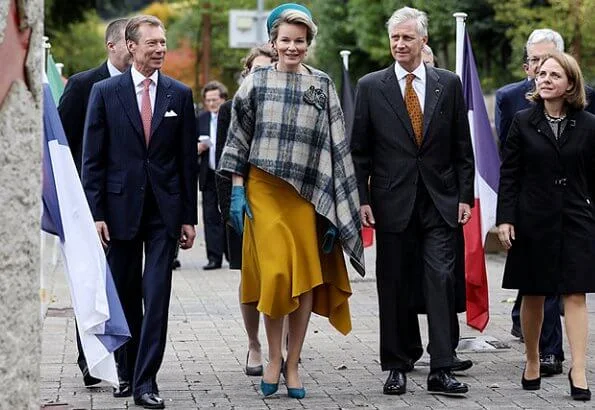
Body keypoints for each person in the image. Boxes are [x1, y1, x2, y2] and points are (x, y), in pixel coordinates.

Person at [219, 3, 365, 399]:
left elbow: (336, 147)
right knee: (277, 276)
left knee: (304, 280)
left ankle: (294, 361)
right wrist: (236, 189)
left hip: (306, 196)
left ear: (308, 43)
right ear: (273, 40)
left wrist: (335, 208)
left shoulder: (322, 84)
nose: (292, 47)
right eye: (285, 40)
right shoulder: (255, 83)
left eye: (299, 41)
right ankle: (271, 356)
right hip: (263, 191)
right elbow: (238, 139)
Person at [350, 6, 475, 396]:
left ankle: (441, 366)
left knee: (440, 279)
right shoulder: (371, 86)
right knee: (395, 283)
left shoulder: (448, 84)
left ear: (423, 40)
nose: (400, 44)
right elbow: (360, 151)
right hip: (391, 202)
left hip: (440, 200)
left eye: (407, 37)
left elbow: (462, 147)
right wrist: (363, 198)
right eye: (395, 38)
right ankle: (397, 364)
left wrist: (464, 196)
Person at [82, 15, 198, 409]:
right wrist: (95, 213)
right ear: (131, 47)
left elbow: (187, 162)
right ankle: (125, 371)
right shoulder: (105, 92)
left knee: (157, 295)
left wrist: (188, 218)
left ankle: (147, 380)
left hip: (164, 214)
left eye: (163, 42)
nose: (160, 49)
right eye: (152, 43)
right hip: (118, 211)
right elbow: (92, 161)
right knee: (126, 295)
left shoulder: (179, 95)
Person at [495, 28, 595, 376]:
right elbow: (510, 174)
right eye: (541, 74)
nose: (546, 78)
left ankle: (579, 369)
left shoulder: (588, 124)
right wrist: (505, 219)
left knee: (575, 294)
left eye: (554, 74)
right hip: (532, 219)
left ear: (570, 83)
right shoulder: (523, 121)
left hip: (576, 218)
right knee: (534, 293)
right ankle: (533, 360)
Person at [57, 18, 130, 387]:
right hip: (87, 202)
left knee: (121, 281)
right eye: (128, 44)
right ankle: (90, 358)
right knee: (91, 281)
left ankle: (122, 358)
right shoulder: (84, 85)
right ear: (112, 46)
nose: (135, 51)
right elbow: (62, 144)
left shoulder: (141, 86)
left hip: (127, 202)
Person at [215, 45, 278, 377]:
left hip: (279, 205)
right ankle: (254, 343)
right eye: (256, 70)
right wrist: (229, 210)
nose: (262, 76)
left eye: (269, 70)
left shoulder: (285, 105)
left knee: (279, 275)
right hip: (243, 202)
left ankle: (278, 345)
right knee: (250, 278)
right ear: (246, 74)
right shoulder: (230, 108)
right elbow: (224, 164)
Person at [197, 81, 228, 270]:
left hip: (228, 174)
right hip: (208, 174)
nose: (211, 104)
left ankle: (232, 254)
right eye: (208, 100)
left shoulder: (231, 116)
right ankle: (214, 257)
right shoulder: (200, 119)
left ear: (223, 99)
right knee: (210, 217)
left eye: (214, 99)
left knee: (230, 215)